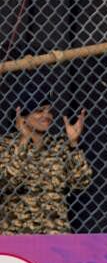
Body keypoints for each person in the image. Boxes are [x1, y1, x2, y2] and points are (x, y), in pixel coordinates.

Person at [0, 99, 92, 234]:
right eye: (39, 111)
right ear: (23, 116)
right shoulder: (6, 144)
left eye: (49, 111)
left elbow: (81, 181)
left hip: (55, 231)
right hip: (17, 232)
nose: (46, 115)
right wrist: (24, 140)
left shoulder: (59, 145)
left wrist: (73, 144)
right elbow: (6, 182)